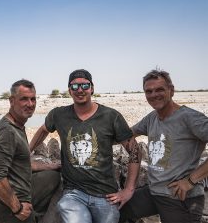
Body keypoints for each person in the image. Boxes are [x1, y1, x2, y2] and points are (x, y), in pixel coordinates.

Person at [30, 69, 141, 223]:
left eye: (84, 85)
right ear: (69, 90)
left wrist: (129, 189)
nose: (80, 90)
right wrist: (26, 152)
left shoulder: (111, 116)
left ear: (92, 88)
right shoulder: (59, 115)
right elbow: (43, 130)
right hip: (73, 194)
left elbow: (135, 149)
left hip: (105, 195)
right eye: (75, 87)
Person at [119, 70, 208, 223]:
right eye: (149, 91)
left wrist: (190, 181)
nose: (154, 95)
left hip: (180, 197)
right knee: (115, 210)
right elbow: (126, 134)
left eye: (159, 89)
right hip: (154, 192)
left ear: (171, 90)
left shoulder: (190, 118)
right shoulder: (152, 117)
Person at [0, 79, 61, 223]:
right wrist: (18, 209)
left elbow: (22, 163)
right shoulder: (7, 132)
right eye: (24, 99)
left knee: (53, 176)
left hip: (21, 193)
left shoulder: (17, 125)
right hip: (11, 205)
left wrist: (51, 166)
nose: (30, 104)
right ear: (12, 101)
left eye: (33, 99)